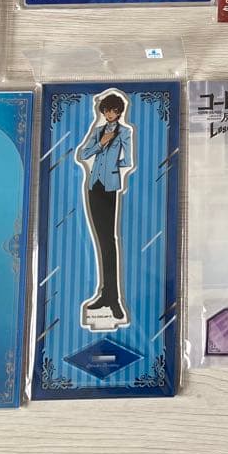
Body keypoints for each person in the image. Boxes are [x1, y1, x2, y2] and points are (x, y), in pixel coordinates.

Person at [77, 92, 133, 322]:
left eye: (113, 110)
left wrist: (114, 167)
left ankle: (114, 298)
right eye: (106, 110)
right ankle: (106, 294)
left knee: (109, 241)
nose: (110, 114)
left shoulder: (125, 132)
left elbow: (128, 160)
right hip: (94, 186)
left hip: (110, 187)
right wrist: (100, 144)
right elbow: (83, 153)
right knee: (102, 242)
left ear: (119, 112)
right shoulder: (98, 131)